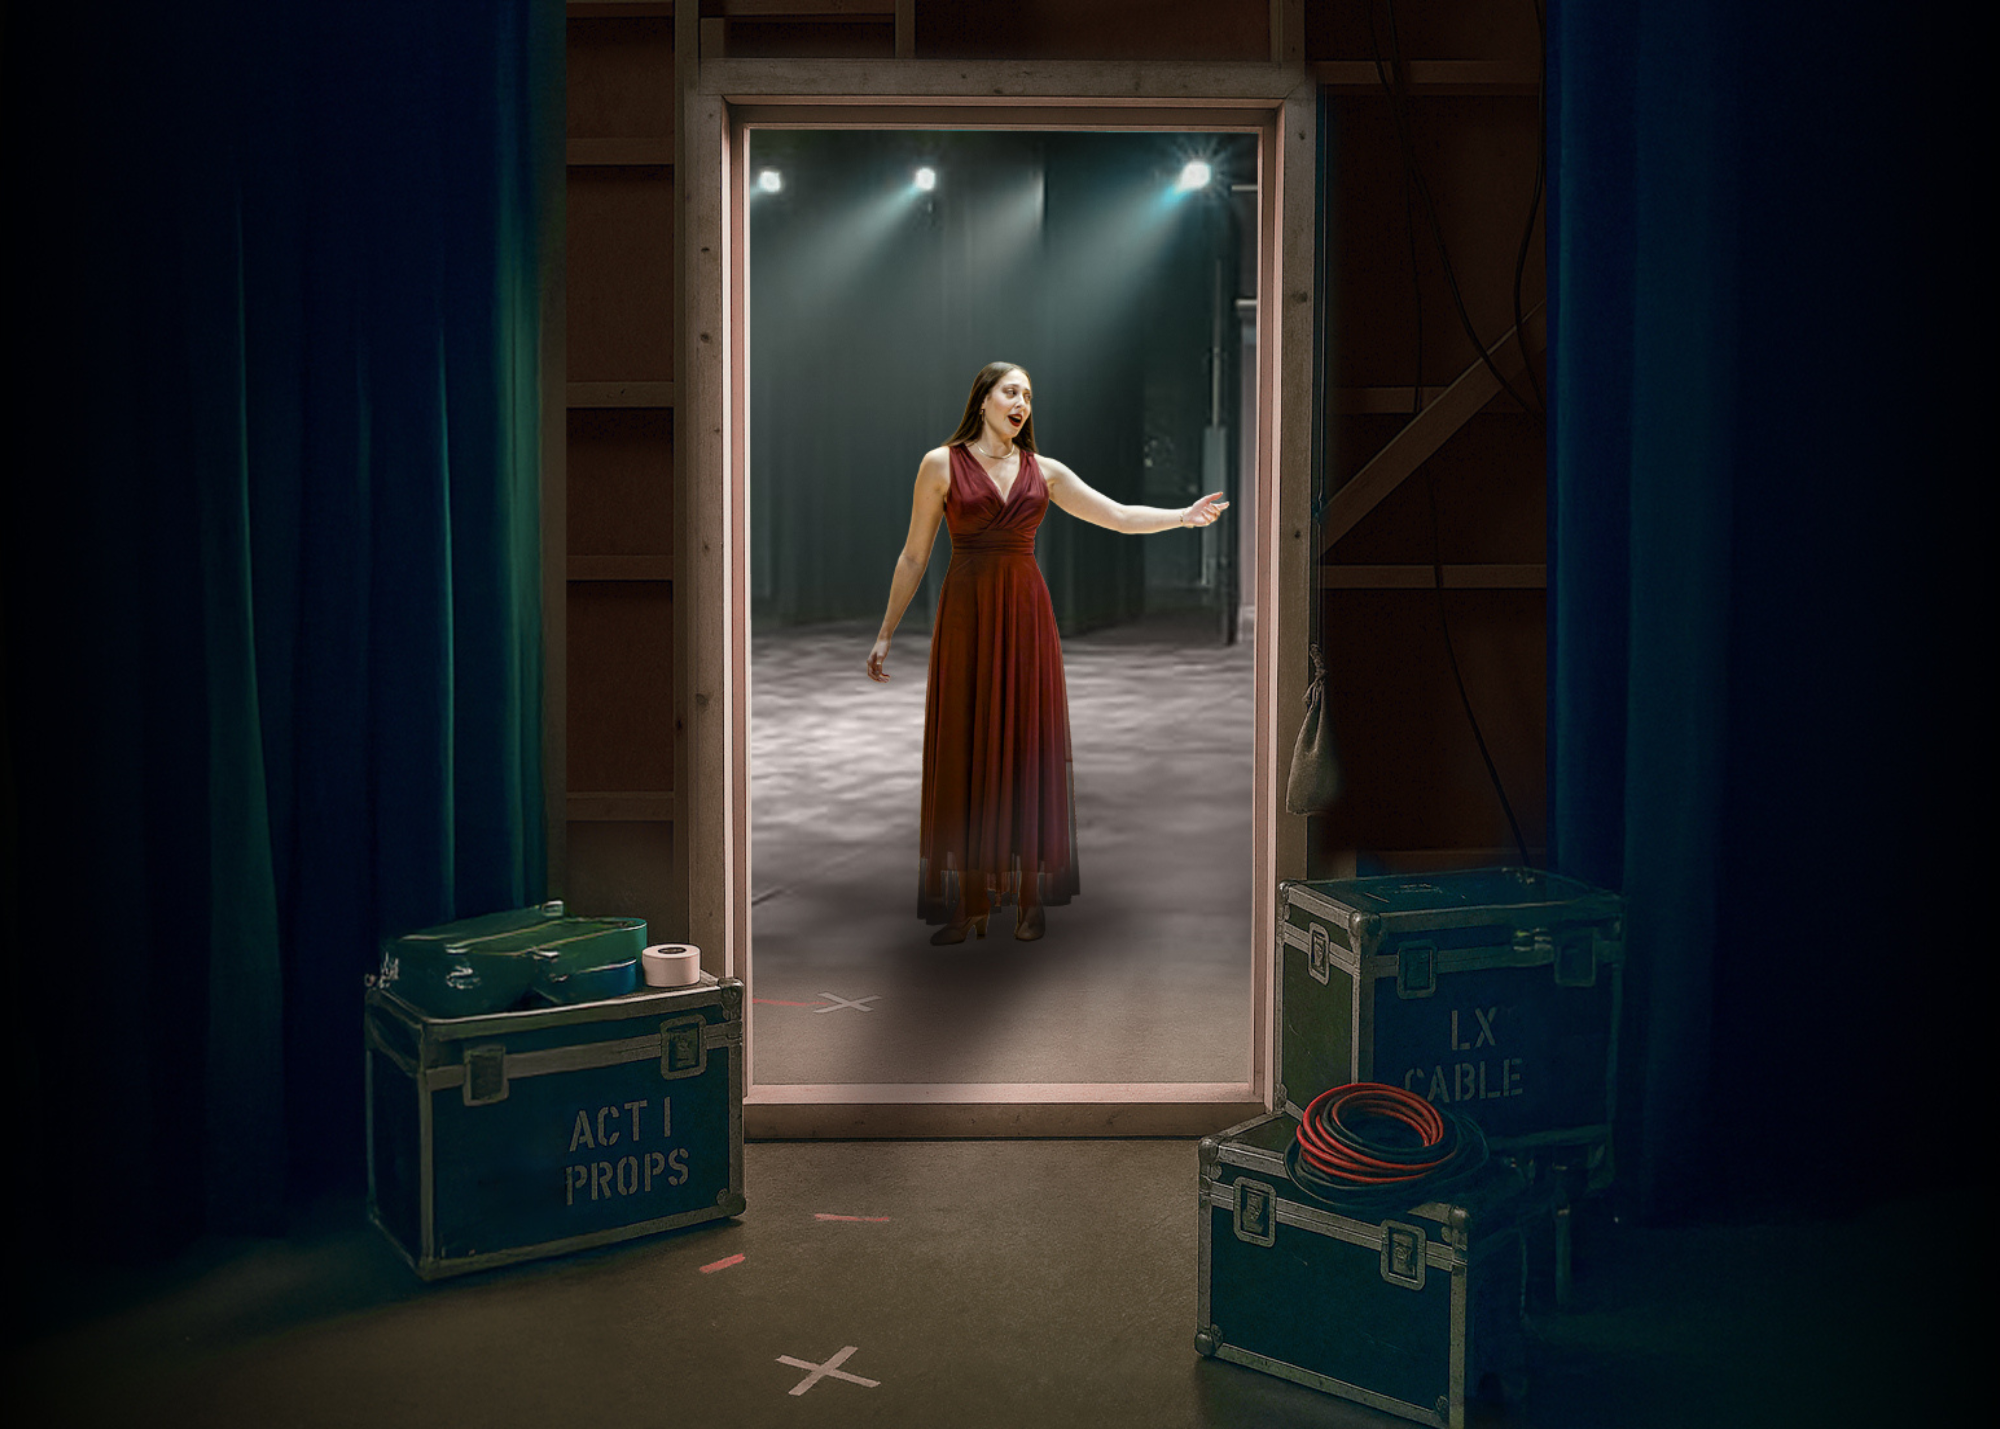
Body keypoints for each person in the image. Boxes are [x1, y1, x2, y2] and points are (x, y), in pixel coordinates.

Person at [866, 361, 1228, 945]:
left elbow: (1116, 517)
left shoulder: (1046, 471)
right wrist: (886, 631)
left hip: (1026, 619)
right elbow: (913, 556)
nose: (1022, 403)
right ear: (982, 400)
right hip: (967, 618)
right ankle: (973, 901)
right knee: (968, 745)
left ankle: (1030, 896)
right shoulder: (940, 464)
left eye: (1029, 396)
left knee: (1027, 747)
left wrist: (1183, 519)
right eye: (1011, 391)